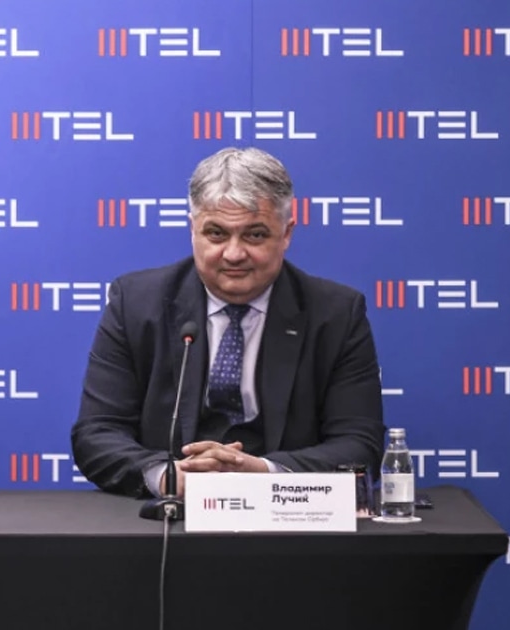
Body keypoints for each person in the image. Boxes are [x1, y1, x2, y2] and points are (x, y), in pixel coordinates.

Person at [71, 147, 385, 499]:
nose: (234, 254)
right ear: (193, 230)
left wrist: (264, 474)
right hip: (167, 515)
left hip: (287, 516)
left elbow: (359, 445)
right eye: (217, 234)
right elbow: (97, 434)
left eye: (255, 235)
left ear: (286, 234)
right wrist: (167, 476)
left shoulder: (336, 314)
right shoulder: (135, 303)